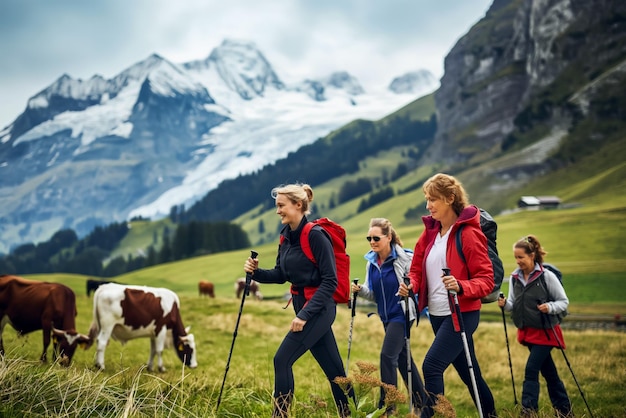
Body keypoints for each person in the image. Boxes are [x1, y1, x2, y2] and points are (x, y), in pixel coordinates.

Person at [243, 183, 354, 418]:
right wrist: (256, 273)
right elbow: (281, 275)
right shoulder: (285, 237)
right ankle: (352, 413)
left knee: (282, 359)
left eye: (281, 206)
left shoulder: (316, 235)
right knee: (335, 372)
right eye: (277, 206)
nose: (277, 211)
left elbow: (330, 282)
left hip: (319, 310)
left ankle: (279, 416)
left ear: (298, 205)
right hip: (303, 307)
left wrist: (304, 315)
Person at [398, 173, 497, 418]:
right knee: (470, 375)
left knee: (431, 366)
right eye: (426, 199)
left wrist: (461, 286)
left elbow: (487, 280)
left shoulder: (469, 234)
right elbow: (417, 269)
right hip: (438, 314)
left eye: (433, 200)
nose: (428, 205)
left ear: (450, 198)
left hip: (462, 314)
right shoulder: (430, 234)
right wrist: (411, 285)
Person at [351, 217, 426, 415]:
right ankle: (422, 401)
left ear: (388, 237)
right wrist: (360, 290)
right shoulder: (372, 263)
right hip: (385, 316)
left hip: (402, 315)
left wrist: (409, 291)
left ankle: (388, 407)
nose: (372, 242)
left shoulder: (404, 259)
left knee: (387, 356)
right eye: (369, 238)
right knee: (402, 358)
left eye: (376, 238)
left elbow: (417, 285)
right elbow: (374, 294)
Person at [498, 235, 572, 417]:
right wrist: (504, 304)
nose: (518, 261)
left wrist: (550, 307)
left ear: (532, 256)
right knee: (550, 374)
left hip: (546, 333)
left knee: (531, 369)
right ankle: (564, 412)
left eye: (521, 257)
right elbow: (514, 306)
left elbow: (563, 302)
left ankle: (528, 412)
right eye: (515, 257)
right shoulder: (515, 278)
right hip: (528, 332)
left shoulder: (547, 276)